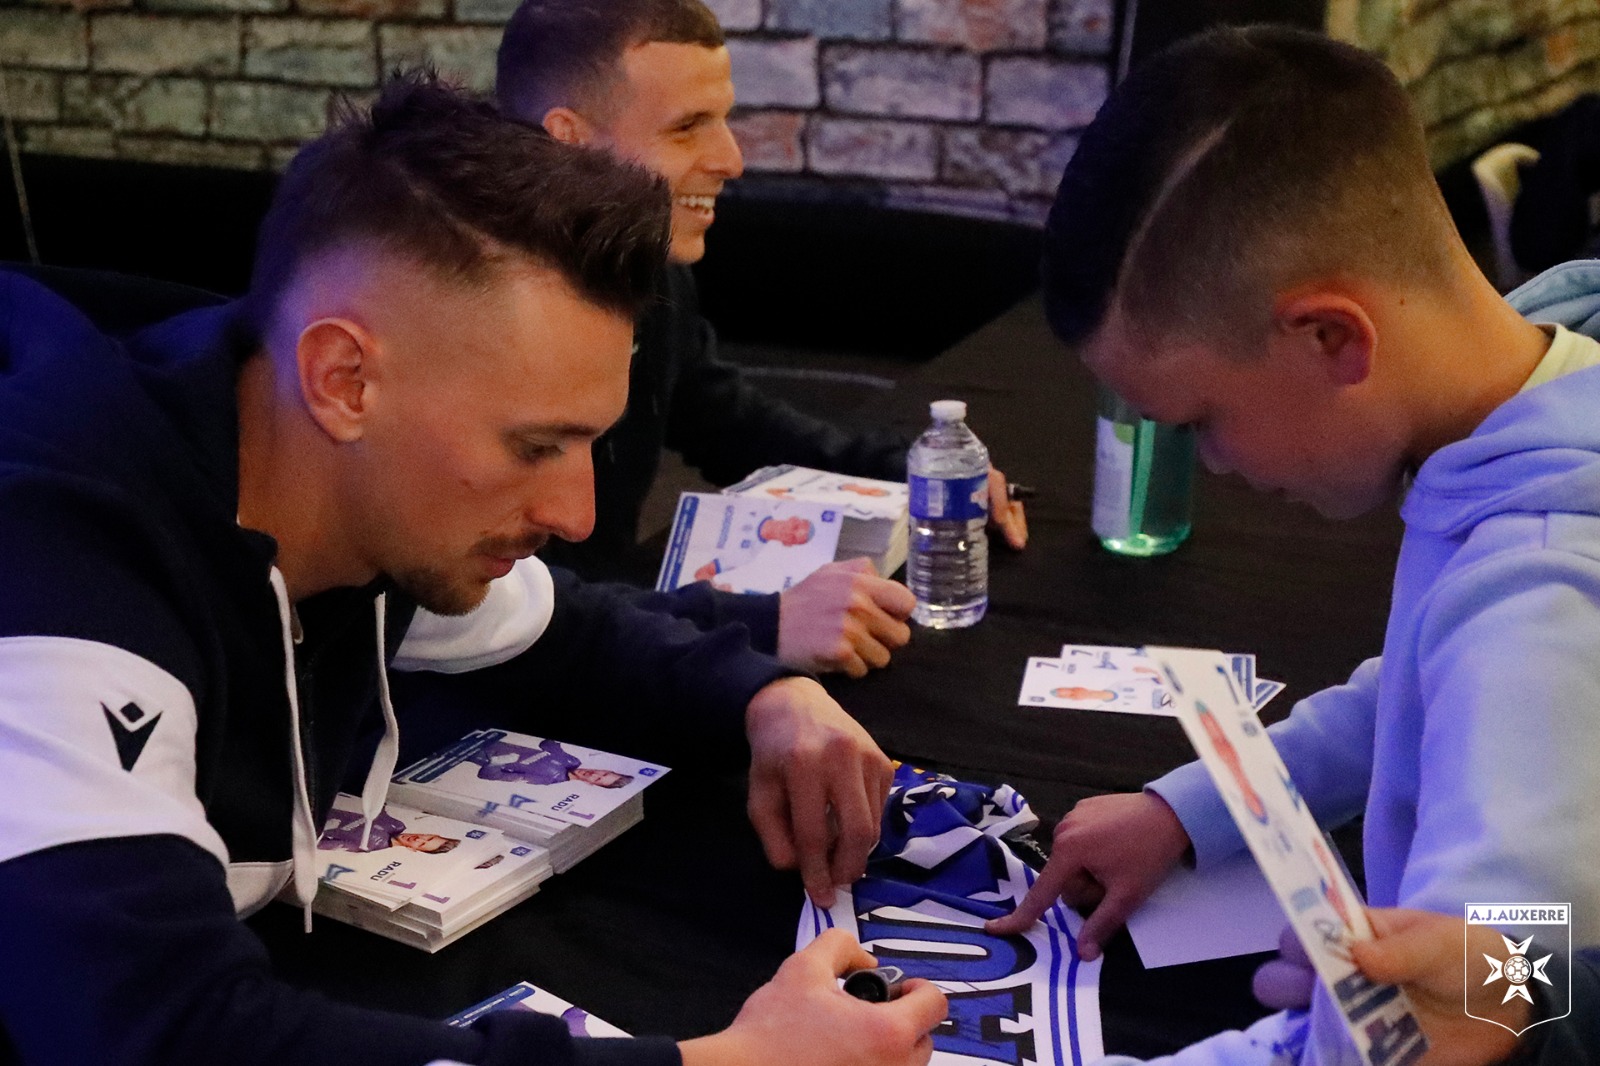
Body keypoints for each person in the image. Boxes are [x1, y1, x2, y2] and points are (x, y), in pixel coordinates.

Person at [0, 72, 947, 1064]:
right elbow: (156, 1034)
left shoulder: (331, 474)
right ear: (345, 381)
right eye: (536, 445)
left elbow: (571, 633)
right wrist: (724, 1063)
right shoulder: (57, 559)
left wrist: (768, 701)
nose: (578, 514)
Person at [983, 24, 1600, 1064]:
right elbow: (1406, 684)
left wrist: (1456, 985)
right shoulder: (1539, 390)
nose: (1211, 467)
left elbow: (1523, 972)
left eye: (1199, 421)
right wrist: (1190, 808)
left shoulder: (1536, 607)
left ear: (1332, 337)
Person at [492, 0, 1030, 680]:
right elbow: (491, 614)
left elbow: (725, 418)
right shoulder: (473, 318)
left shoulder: (649, 267)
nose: (733, 159)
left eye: (723, 120)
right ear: (568, 140)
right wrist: (763, 622)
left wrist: (914, 473)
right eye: (688, 127)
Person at [469, 737, 634, 788]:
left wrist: (496, 763)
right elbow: (546, 744)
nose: (594, 774)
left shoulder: (549, 780)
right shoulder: (573, 761)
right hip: (489, 737)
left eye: (597, 779)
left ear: (591, 784)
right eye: (603, 773)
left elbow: (488, 776)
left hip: (475, 752)